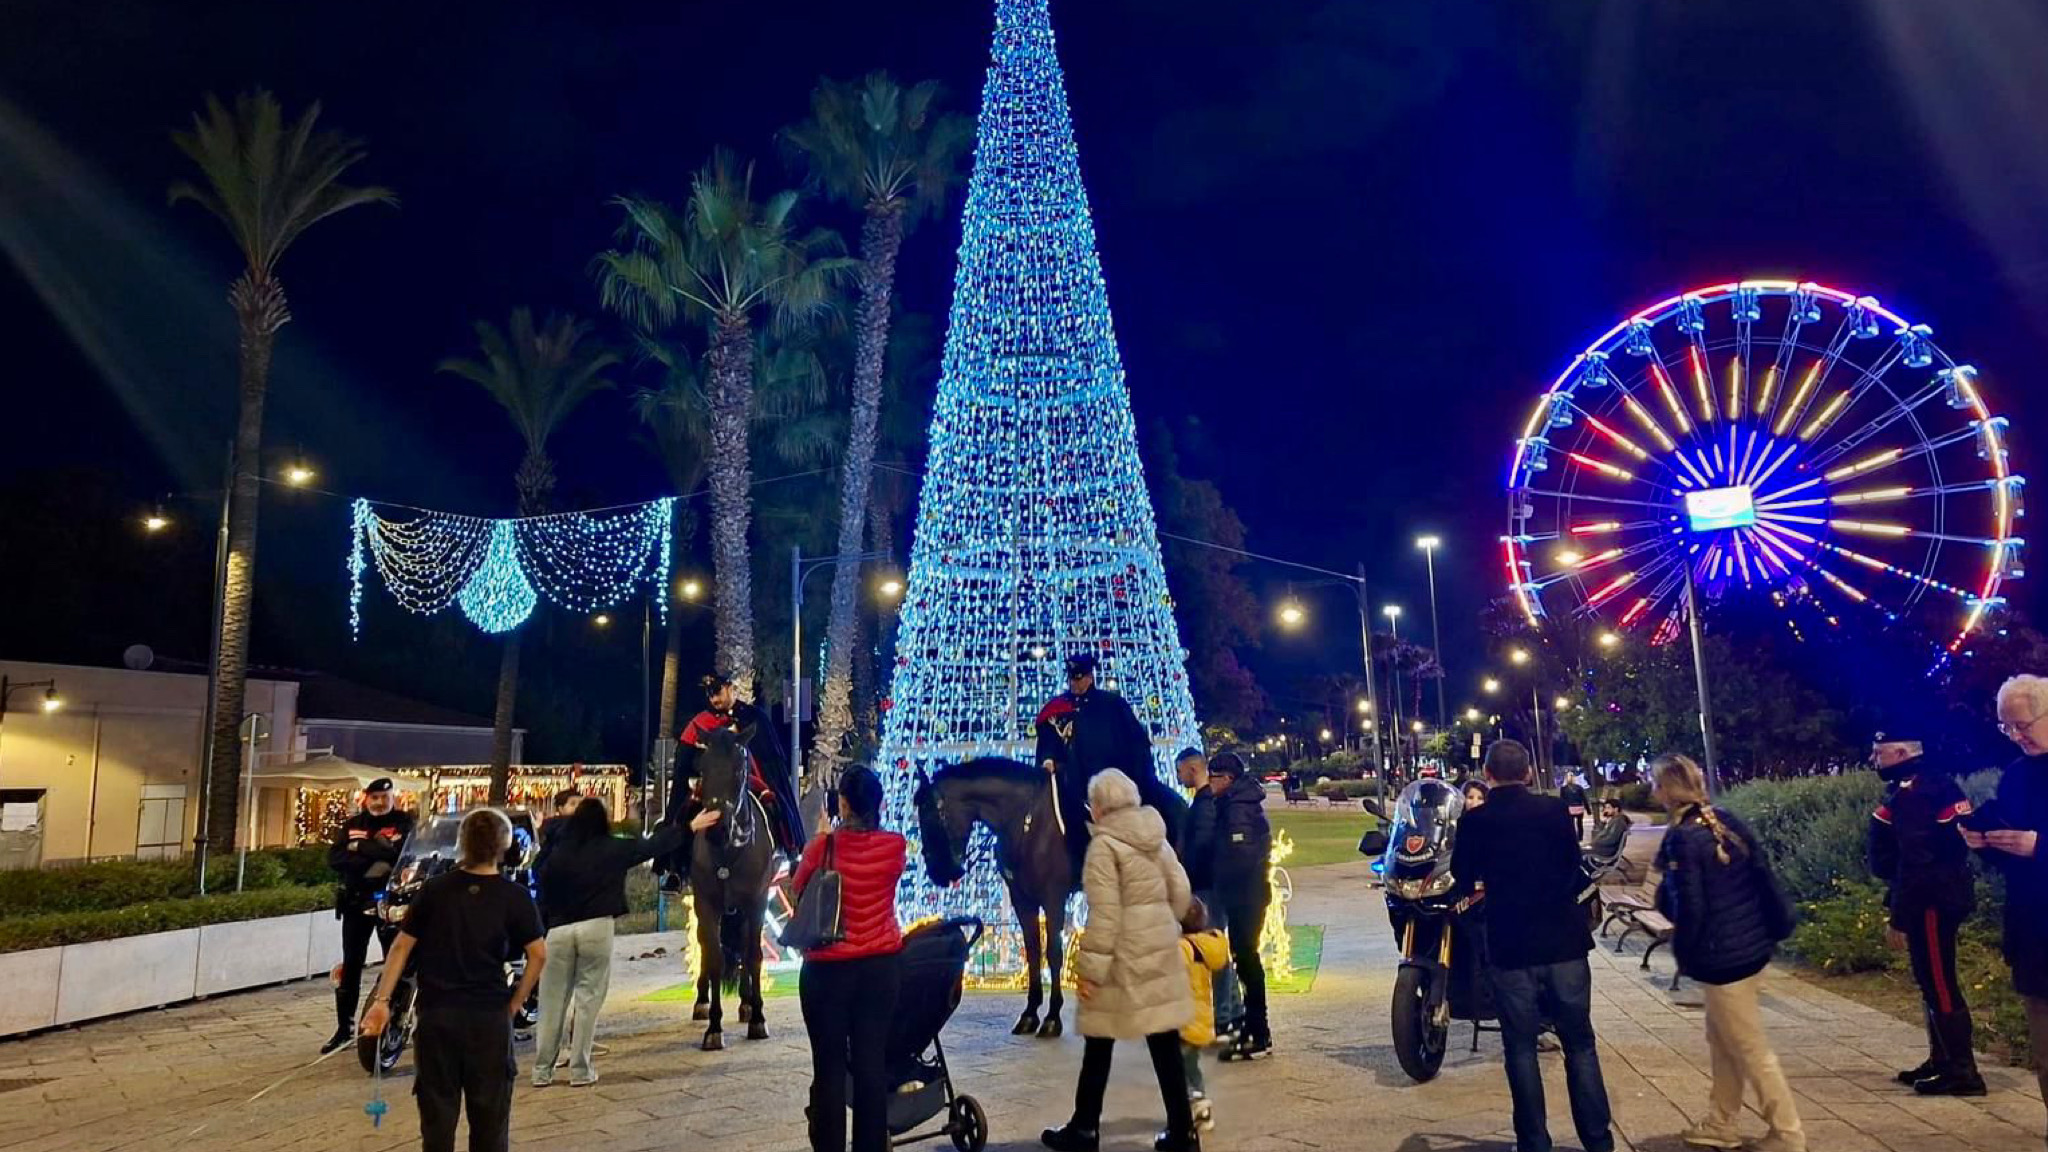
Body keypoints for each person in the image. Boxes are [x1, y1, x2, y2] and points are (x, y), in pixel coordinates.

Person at [1448, 739, 1615, 1152]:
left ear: (1488, 776)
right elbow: (1569, 863)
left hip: (1511, 944)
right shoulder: (1554, 810)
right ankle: (1598, 1140)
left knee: (1519, 1048)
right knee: (1581, 1044)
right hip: (1564, 941)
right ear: (1527, 773)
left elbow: (1462, 874)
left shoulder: (1477, 821)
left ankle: (1533, 1141)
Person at [361, 809, 545, 1152]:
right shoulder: (514, 897)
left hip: (437, 1018)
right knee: (490, 1122)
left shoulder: (434, 890)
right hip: (489, 1018)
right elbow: (538, 954)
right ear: (505, 846)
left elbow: (400, 947)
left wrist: (381, 1003)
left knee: (437, 1119)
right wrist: (516, 1000)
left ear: (461, 844)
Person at [1651, 752, 1803, 1152]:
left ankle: (1788, 1135)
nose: (1653, 790)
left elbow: (1688, 906)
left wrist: (1684, 955)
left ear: (1668, 790)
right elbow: (1762, 873)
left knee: (1751, 1049)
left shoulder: (1684, 837)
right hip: (1751, 946)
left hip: (1724, 956)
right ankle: (1721, 1122)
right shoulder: (1724, 820)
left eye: (1656, 783)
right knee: (1724, 1040)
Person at [1042, 769, 1198, 1152]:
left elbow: (1105, 916)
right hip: (1158, 951)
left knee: (1098, 1043)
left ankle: (1084, 1128)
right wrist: (1162, 923)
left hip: (1122, 960)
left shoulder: (1105, 848)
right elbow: (1181, 894)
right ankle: (1183, 1131)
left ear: (1100, 807)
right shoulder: (1155, 840)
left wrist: (1090, 971)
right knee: (1165, 1045)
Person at [530, 798, 691, 1088]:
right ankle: (580, 1069)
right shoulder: (611, 848)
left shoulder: (556, 853)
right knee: (588, 998)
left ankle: (542, 1070)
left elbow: (539, 881)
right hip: (597, 926)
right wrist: (689, 827)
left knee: (552, 1002)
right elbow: (650, 847)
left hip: (558, 930)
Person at [793, 765, 907, 1152]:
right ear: (880, 803)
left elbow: (797, 890)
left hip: (827, 970)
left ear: (842, 803)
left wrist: (826, 838)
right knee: (871, 1065)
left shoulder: (823, 848)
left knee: (828, 1070)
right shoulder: (896, 847)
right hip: (879, 968)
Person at [1865, 731, 1983, 1096]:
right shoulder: (1929, 783)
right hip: (1934, 895)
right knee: (1931, 980)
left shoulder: (1919, 793)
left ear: (1901, 752)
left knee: (1939, 981)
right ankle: (1943, 1059)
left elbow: (1917, 862)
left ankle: (1963, 1072)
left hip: (1931, 900)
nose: (1873, 759)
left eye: (1879, 752)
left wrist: (1900, 916)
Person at [1965, 674, 2048, 1124]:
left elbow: (2034, 846)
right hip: (2035, 937)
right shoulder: (2017, 774)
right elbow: (2014, 850)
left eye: (2023, 724)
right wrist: (1987, 842)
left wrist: (2040, 846)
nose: (2016, 735)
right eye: (2006, 728)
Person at [1036, 653, 1183, 870]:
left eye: (1080, 678)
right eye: (1072, 679)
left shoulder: (1113, 705)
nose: (1076, 684)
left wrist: (1137, 777)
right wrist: (1048, 758)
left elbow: (1136, 742)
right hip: (1072, 784)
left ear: (1090, 677)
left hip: (1116, 784)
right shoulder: (1058, 708)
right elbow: (1048, 739)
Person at [663, 674, 805, 873]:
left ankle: (789, 848)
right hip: (713, 778)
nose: (714, 700)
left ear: (730, 688)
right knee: (687, 809)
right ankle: (676, 867)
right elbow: (686, 760)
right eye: (710, 695)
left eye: (718, 693)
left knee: (774, 801)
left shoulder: (752, 716)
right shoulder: (702, 721)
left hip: (750, 775)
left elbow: (766, 753)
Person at [323, 777, 417, 1054]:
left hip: (391, 903)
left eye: (384, 797)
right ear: (365, 798)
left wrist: (359, 848)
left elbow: (402, 855)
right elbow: (334, 859)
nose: (378, 802)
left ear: (392, 798)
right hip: (355, 902)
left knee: (396, 961)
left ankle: (393, 1020)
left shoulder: (404, 823)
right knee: (351, 964)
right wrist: (375, 853)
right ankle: (344, 1029)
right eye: (374, 797)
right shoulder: (352, 825)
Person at [1208, 751, 1273, 1062]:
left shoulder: (1238, 809)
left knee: (1247, 958)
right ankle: (1253, 1026)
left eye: (1214, 777)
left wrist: (1221, 875)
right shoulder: (1233, 804)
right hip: (1245, 893)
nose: (1209, 783)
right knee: (1243, 957)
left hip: (1246, 894)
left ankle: (1259, 1032)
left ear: (1227, 779)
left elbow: (1241, 854)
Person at [1172, 747, 1240, 1039]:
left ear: (1192, 769)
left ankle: (1225, 1017)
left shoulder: (1204, 805)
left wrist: (1183, 870)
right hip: (1210, 885)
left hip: (1207, 887)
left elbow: (1201, 847)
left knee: (1214, 953)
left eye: (1180, 770)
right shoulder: (1203, 803)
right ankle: (1232, 1013)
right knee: (1216, 950)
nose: (1178, 776)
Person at [1175, 898, 1231, 1137]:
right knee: (1191, 1066)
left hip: (1184, 1020)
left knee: (1185, 1069)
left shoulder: (1183, 949)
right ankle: (1196, 1101)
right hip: (1202, 1019)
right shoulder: (1209, 946)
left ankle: (1198, 1106)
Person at [1559, 772, 1589, 841]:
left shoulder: (1563, 789)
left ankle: (1573, 837)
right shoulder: (1579, 787)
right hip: (1579, 808)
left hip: (1570, 808)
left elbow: (1562, 800)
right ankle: (1580, 837)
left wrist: (1561, 810)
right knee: (1579, 823)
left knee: (1571, 824)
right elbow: (1584, 799)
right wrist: (1588, 810)